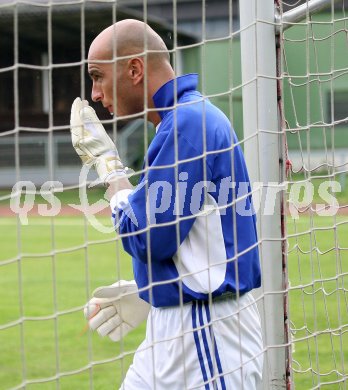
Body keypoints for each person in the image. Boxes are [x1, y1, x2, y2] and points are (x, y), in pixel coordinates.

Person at [70, 19, 263, 390]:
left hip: (206, 336)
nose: (94, 93)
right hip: (180, 326)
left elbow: (147, 237)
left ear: (135, 69)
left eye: (98, 76)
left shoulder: (188, 123)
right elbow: (181, 233)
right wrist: (151, 291)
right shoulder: (180, 121)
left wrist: (109, 167)